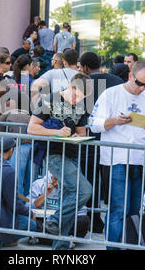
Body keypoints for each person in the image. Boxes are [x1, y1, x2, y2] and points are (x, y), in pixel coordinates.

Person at [89, 61, 145, 249]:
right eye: (139, 83)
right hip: (116, 158)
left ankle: (129, 244)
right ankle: (113, 247)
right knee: (118, 208)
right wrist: (114, 121)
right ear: (131, 76)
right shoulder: (111, 94)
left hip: (140, 159)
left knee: (134, 209)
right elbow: (94, 123)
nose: (142, 88)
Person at [27, 73, 93, 250]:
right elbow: (31, 128)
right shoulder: (50, 100)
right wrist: (56, 133)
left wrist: (76, 136)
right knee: (84, 190)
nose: (77, 100)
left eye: (82, 98)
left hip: (71, 154)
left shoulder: (81, 105)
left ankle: (60, 247)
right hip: (54, 155)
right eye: (76, 95)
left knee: (68, 200)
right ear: (70, 86)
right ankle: (54, 221)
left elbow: (81, 132)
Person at [78, 51, 124, 233]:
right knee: (112, 184)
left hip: (88, 140)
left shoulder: (82, 83)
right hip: (112, 141)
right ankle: (114, 222)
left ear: (86, 67)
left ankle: (93, 219)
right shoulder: (116, 82)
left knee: (89, 183)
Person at [28, 172, 90, 245]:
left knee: (84, 221)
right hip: (45, 219)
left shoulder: (73, 186)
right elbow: (29, 205)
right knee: (31, 221)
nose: (57, 183)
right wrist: (45, 194)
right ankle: (65, 240)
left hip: (65, 220)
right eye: (55, 179)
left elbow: (82, 211)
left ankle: (43, 238)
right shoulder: (39, 183)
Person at [0, 89, 33, 196]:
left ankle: (16, 206)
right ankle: (28, 206)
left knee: (16, 181)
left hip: (16, 149)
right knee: (31, 182)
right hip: (33, 148)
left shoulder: (6, 115)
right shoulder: (31, 117)